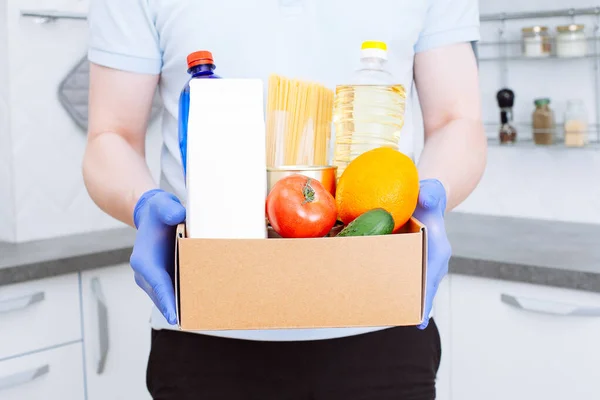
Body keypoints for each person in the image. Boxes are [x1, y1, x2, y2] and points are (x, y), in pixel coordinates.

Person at [83, 0, 486, 399]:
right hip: (206, 322)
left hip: (382, 318)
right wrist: (143, 203)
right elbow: (111, 134)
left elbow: (457, 119)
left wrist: (430, 196)